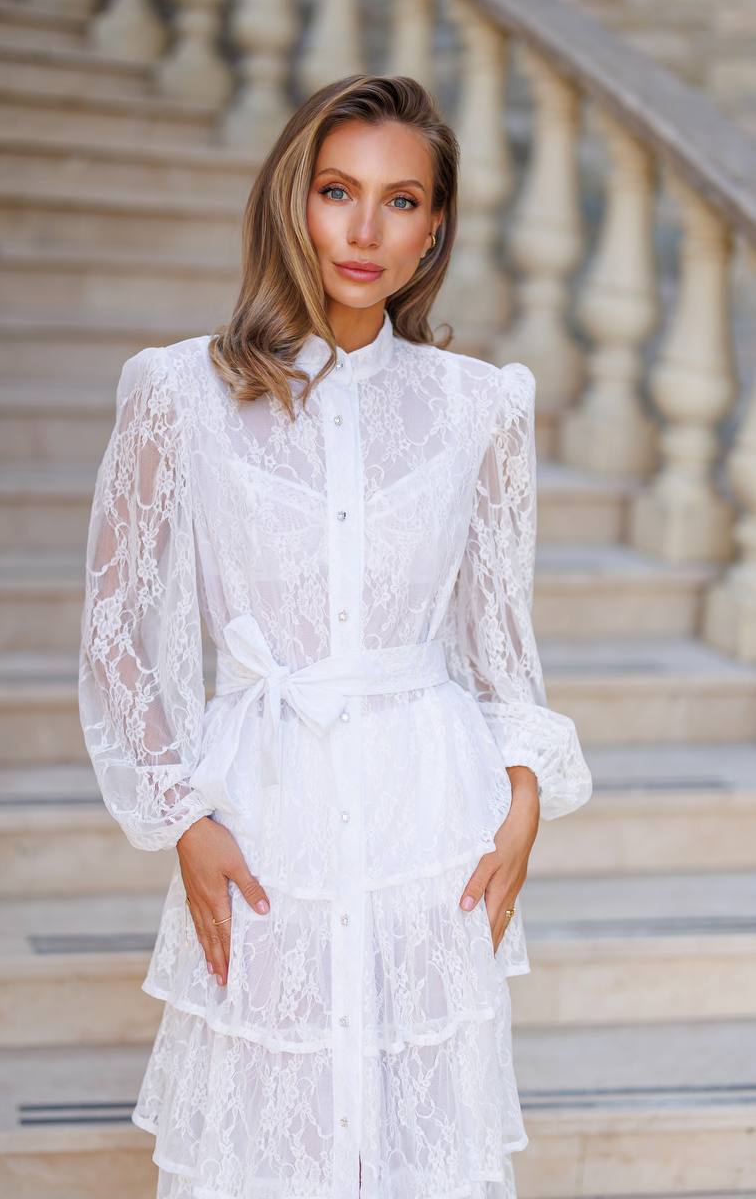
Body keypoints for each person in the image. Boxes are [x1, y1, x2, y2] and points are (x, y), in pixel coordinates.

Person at [78, 73, 593, 1199]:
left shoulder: (479, 406)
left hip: (434, 819)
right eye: (336, 190)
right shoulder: (178, 393)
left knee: (420, 1145)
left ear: (434, 228)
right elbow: (117, 630)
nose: (365, 229)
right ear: (291, 202)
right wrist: (182, 813)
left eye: (400, 200)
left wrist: (521, 799)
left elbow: (500, 636)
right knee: (269, 1141)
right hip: (263, 818)